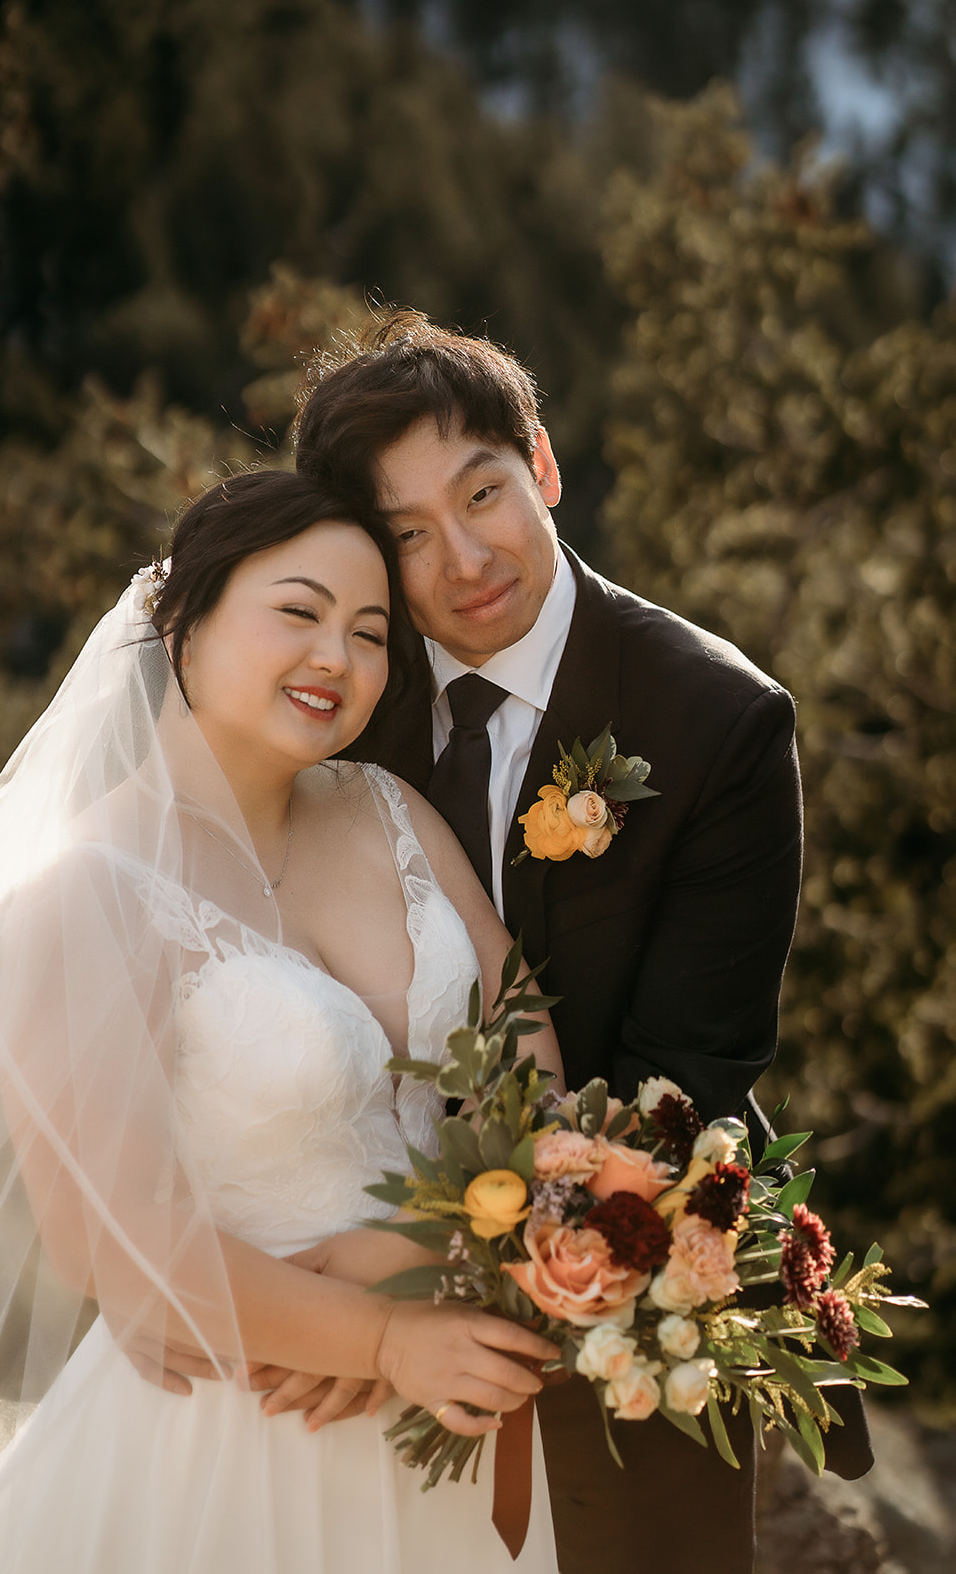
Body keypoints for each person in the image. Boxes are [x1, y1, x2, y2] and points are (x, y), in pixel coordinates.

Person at [0, 469, 564, 1573]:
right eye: (298, 612)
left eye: (369, 633)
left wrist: (456, 1255)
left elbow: (530, 1064)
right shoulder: (81, 893)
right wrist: (382, 1337)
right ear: (183, 626)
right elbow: (111, 1235)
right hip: (232, 1429)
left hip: (450, 1386)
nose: (336, 658)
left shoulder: (390, 811)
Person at [281, 310, 870, 1573]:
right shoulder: (340, 698)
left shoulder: (715, 721)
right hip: (350, 1310)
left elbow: (682, 1080)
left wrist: (418, 1281)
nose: (463, 558)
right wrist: (329, 1311)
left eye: (481, 493)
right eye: (405, 536)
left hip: (631, 1289)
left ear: (541, 465)